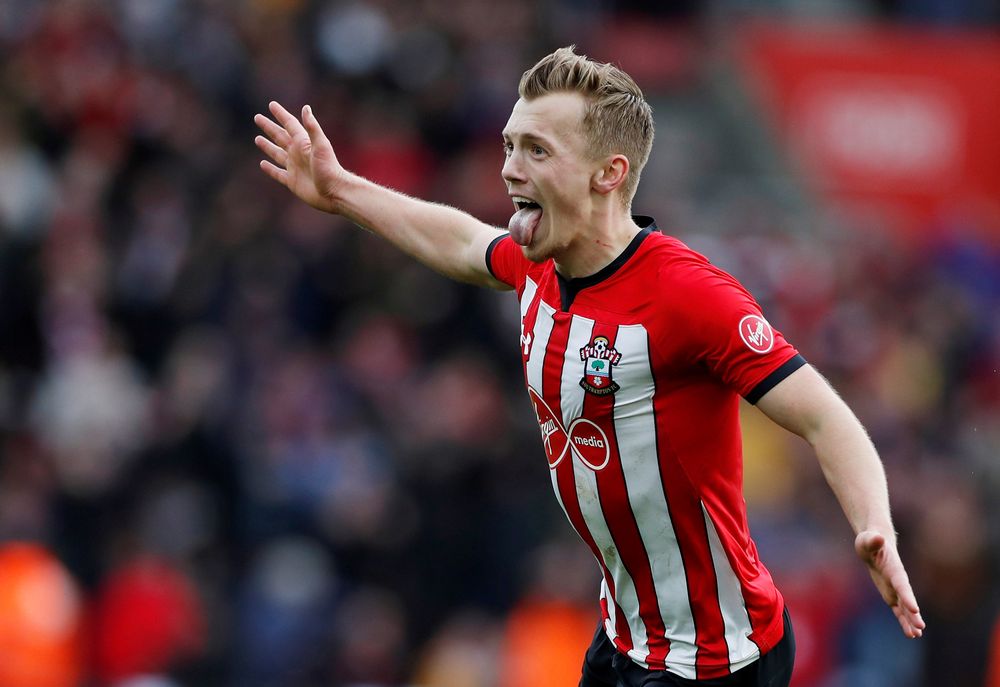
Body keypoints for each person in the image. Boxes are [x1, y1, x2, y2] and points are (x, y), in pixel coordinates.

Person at [254, 45, 924, 687]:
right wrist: (340, 190)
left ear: (609, 173)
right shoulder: (538, 266)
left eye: (537, 150)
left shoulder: (688, 296)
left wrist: (875, 526)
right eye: (510, 146)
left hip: (715, 659)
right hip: (626, 634)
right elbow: (460, 242)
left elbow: (825, 417)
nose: (510, 169)